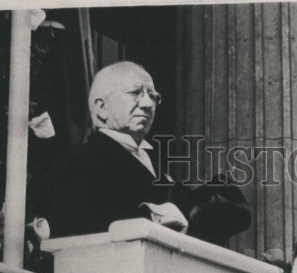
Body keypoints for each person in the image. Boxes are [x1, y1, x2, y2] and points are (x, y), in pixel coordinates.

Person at [49, 61, 250, 244]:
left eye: (153, 96)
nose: (147, 104)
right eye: (135, 92)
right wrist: (155, 216)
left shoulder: (156, 167)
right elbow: (77, 230)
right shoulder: (78, 162)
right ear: (102, 108)